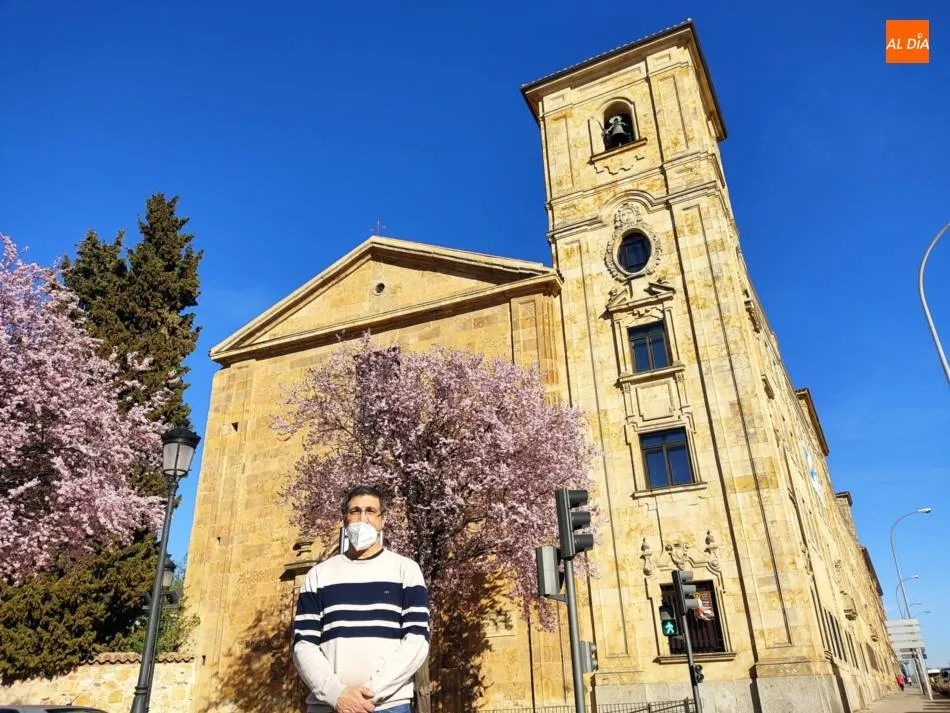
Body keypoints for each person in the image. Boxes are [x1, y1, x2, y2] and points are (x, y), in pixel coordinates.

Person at [293, 485, 430, 713]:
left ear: (382, 520)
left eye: (370, 511)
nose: (362, 518)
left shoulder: (406, 570)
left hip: (388, 706)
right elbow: (304, 644)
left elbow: (416, 640)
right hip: (327, 706)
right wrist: (336, 695)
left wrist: (369, 692)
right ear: (344, 519)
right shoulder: (318, 575)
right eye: (355, 511)